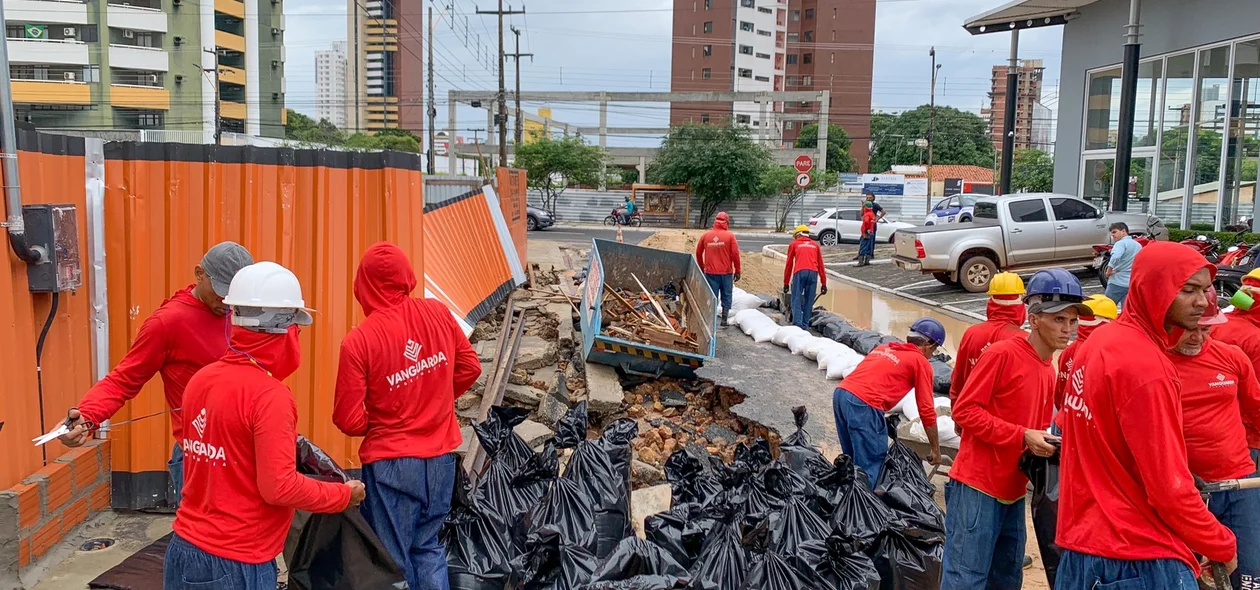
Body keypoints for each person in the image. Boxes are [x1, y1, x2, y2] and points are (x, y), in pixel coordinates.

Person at [165, 261, 365, 590]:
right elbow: (279, 487)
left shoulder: (201, 380)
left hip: (184, 549)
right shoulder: (271, 397)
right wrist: (343, 495)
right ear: (285, 328)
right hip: (236, 562)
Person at [1056, 241, 1236, 587]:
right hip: (1137, 556)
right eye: (1187, 289)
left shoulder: (1099, 343)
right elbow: (1169, 488)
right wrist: (1221, 543)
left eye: (1205, 289)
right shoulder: (1148, 367)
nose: (1203, 301)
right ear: (1152, 288)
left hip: (1084, 547)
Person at [58, 241, 254, 507]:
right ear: (199, 274)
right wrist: (87, 417)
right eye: (221, 292)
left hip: (246, 451)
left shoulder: (245, 311)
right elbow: (122, 380)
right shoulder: (167, 323)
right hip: (200, 457)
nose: (227, 302)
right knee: (203, 545)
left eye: (235, 294)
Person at [333, 242, 482, 590]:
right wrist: (435, 400)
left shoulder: (359, 341)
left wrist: (391, 413)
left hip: (393, 467)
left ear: (363, 285)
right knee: (428, 548)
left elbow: (347, 419)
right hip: (440, 460)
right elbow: (469, 368)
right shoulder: (438, 314)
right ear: (407, 277)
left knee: (392, 561)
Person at [941, 269, 1086, 589]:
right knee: (966, 578)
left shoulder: (1049, 369)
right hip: (978, 486)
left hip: (1014, 489)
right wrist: (1022, 435)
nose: (1068, 329)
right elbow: (964, 410)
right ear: (1033, 319)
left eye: (1072, 321)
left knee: (1007, 578)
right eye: (1059, 320)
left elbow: (1035, 425)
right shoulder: (1002, 354)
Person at [1168, 285, 1260, 589]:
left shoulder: (1231, 357)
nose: (1198, 337)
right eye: (1190, 330)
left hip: (1238, 482)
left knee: (1248, 575)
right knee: (1183, 575)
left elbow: (1256, 409)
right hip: (1183, 490)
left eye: (1206, 329)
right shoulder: (1155, 363)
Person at [832, 318, 944, 486]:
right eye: (934, 350)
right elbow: (926, 410)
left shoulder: (885, 348)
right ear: (928, 346)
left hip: (841, 395)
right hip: (864, 404)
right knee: (871, 464)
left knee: (851, 458)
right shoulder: (920, 361)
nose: (932, 355)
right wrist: (935, 449)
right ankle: (866, 509)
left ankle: (849, 503)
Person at [949, 271, 1027, 404]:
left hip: (972, 417)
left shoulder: (971, 334)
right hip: (1008, 422)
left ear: (991, 302)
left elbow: (958, 383)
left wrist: (957, 416)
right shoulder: (1025, 340)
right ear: (1020, 305)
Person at [1211, 268, 1260, 466]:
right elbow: (1254, 398)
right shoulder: (1255, 339)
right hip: (1249, 437)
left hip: (1217, 430)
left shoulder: (1218, 322)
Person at [1054, 294, 1117, 416]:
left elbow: (1059, 393)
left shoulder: (1068, 350)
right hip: (1087, 421)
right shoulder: (1104, 353)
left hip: (1065, 416)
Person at [695, 211, 741, 326]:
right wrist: (738, 270)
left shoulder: (706, 236)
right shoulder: (730, 236)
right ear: (726, 222)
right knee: (726, 295)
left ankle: (710, 322)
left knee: (712, 297)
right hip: (726, 273)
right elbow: (735, 254)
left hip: (710, 273)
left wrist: (702, 267)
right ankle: (724, 320)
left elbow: (698, 252)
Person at [784, 224, 827, 330]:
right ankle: (805, 325)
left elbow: (789, 265)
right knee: (809, 300)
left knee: (796, 298)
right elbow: (821, 265)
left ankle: (797, 325)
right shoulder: (815, 245)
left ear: (797, 235)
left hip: (800, 272)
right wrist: (824, 283)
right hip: (813, 273)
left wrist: (786, 282)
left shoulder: (794, 244)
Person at [1104, 222, 1141, 308]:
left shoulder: (1120, 243)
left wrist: (1108, 271)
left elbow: (1116, 257)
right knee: (1127, 311)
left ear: (1123, 231)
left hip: (1117, 281)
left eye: (1114, 232)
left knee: (1107, 307)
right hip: (1131, 282)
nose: (1112, 235)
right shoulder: (1138, 245)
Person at [856, 202, 877, 267]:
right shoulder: (872, 214)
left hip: (866, 233)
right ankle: (867, 261)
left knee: (863, 247)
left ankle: (860, 262)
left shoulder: (867, 214)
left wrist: (865, 230)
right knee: (869, 247)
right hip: (871, 232)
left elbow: (866, 221)